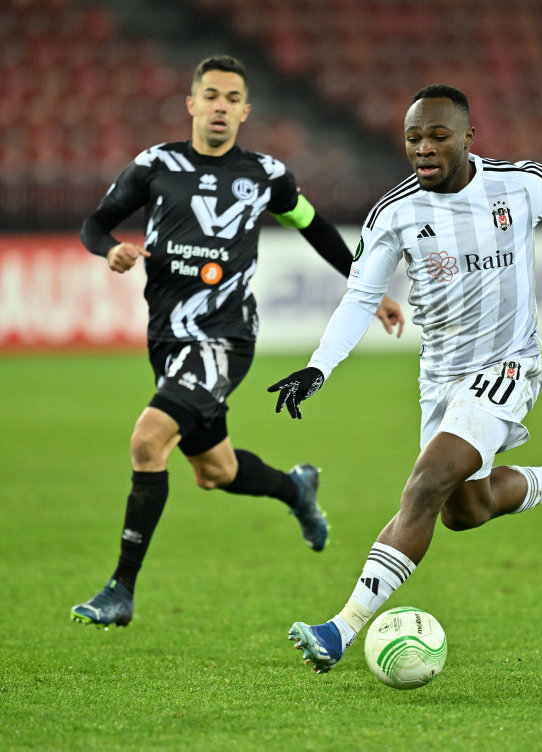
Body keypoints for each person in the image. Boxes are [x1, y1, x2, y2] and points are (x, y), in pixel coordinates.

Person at [268, 84, 542, 673]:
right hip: (441, 378)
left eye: (437, 136)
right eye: (412, 138)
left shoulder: (520, 183)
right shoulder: (395, 212)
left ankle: (340, 628)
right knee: (464, 510)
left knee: (425, 485)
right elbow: (360, 298)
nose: (423, 149)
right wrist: (318, 366)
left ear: (467, 137)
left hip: (510, 364)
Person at [70, 54, 405, 629]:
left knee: (149, 441)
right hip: (168, 339)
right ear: (192, 104)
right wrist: (111, 250)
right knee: (215, 471)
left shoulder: (266, 175)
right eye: (212, 96)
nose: (221, 107)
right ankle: (295, 489)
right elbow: (95, 224)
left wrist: (367, 289)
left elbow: (315, 228)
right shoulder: (155, 166)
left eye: (232, 99)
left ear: (245, 111)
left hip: (225, 336)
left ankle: (119, 590)